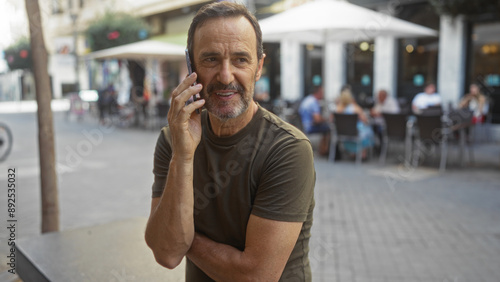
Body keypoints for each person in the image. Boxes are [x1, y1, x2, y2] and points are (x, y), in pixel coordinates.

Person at [145, 2, 315, 282]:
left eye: (240, 59)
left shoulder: (288, 149)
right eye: (211, 59)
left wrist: (184, 236)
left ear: (259, 66)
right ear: (191, 66)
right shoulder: (172, 140)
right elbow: (166, 254)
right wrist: (183, 157)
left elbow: (255, 277)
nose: (226, 76)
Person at [335, 88, 374, 158]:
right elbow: (364, 120)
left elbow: (332, 120)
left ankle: (353, 152)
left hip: (342, 134)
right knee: (367, 129)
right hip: (355, 134)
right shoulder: (355, 108)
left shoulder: (337, 109)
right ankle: (362, 153)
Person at [299, 84, 330, 156]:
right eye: (322, 92)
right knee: (328, 128)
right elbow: (317, 120)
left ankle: (322, 149)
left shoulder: (307, 99)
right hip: (310, 126)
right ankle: (324, 151)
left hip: (303, 125)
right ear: (319, 93)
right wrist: (326, 119)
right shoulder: (314, 102)